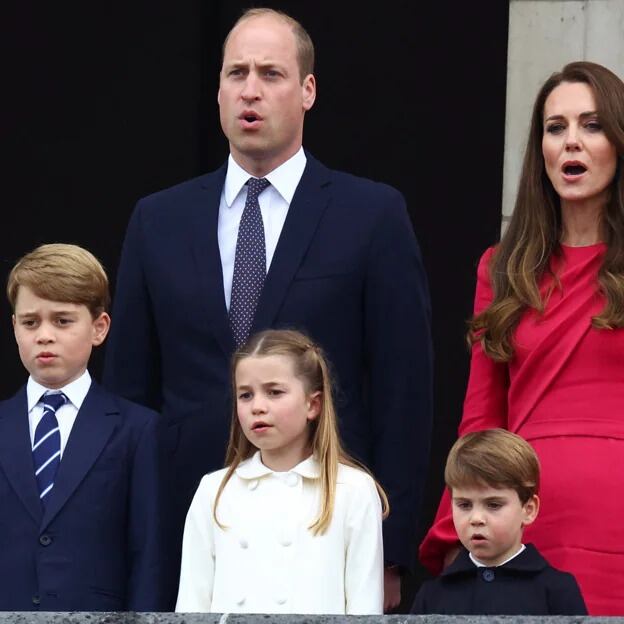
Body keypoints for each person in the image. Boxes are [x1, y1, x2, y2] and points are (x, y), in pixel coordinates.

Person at [103, 7, 432, 608]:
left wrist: (391, 550)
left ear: (308, 90)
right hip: (189, 526)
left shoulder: (372, 216)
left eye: (272, 74)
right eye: (236, 73)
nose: (250, 90)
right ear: (219, 90)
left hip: (325, 528)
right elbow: (130, 391)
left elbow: (403, 391)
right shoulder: (159, 220)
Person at [419, 61, 624, 615]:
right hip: (528, 513)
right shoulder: (502, 267)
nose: (571, 142)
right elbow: (482, 413)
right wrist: (458, 517)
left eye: (593, 125)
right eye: (555, 128)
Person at [0, 243, 167, 611]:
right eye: (30, 322)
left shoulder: (137, 430)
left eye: (62, 320)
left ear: (99, 327)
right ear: (14, 328)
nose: (44, 335)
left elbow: (149, 554)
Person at [175, 329, 386, 613]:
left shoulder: (352, 489)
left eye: (274, 392)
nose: (258, 407)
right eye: (246, 395)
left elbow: (365, 606)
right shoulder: (214, 490)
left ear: (313, 404)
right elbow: (192, 604)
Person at [412, 429, 586, 615]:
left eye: (493, 505)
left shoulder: (557, 590)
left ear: (528, 510)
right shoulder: (433, 595)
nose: (476, 519)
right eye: (464, 505)